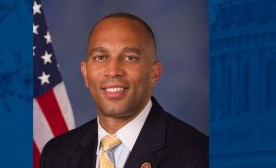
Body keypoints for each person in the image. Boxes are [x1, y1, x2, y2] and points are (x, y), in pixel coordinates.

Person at [40, 13, 208, 168]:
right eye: (101, 57)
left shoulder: (199, 155)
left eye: (129, 58)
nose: (113, 70)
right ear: (85, 73)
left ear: (154, 74)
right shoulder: (56, 154)